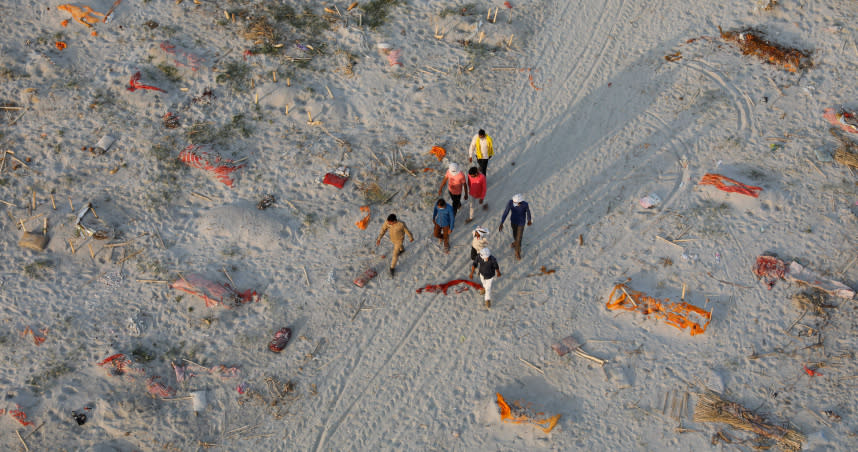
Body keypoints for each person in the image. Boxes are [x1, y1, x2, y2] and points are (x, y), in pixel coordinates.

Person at [498, 193, 532, 260]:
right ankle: (516, 242)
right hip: (513, 221)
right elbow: (506, 212)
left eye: (515, 202)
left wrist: (529, 220)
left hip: (521, 223)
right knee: (515, 234)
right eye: (514, 201)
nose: (514, 203)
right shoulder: (510, 202)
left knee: (519, 237)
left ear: (520, 202)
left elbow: (528, 212)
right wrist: (502, 222)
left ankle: (517, 252)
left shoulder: (525, 204)